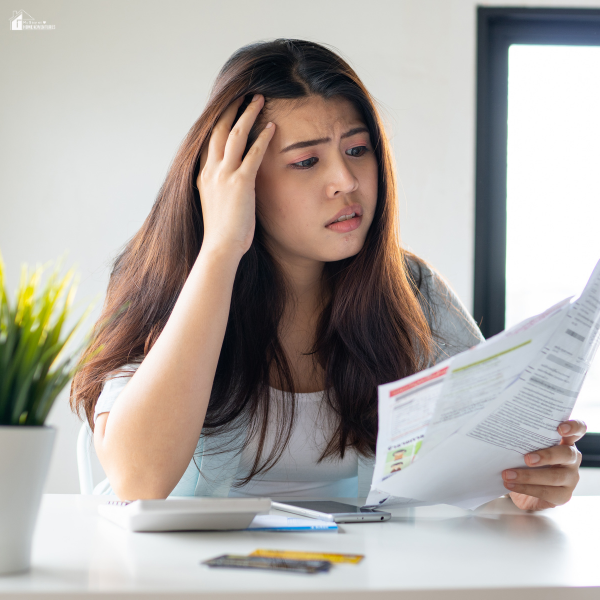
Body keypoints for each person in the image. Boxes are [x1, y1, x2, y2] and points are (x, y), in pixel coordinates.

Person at [70, 38, 585, 511]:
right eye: (306, 161)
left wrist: (527, 483)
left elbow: (489, 459)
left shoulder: (412, 293)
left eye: (357, 151)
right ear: (234, 178)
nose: (345, 181)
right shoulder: (163, 278)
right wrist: (221, 248)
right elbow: (139, 481)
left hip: (361, 574)